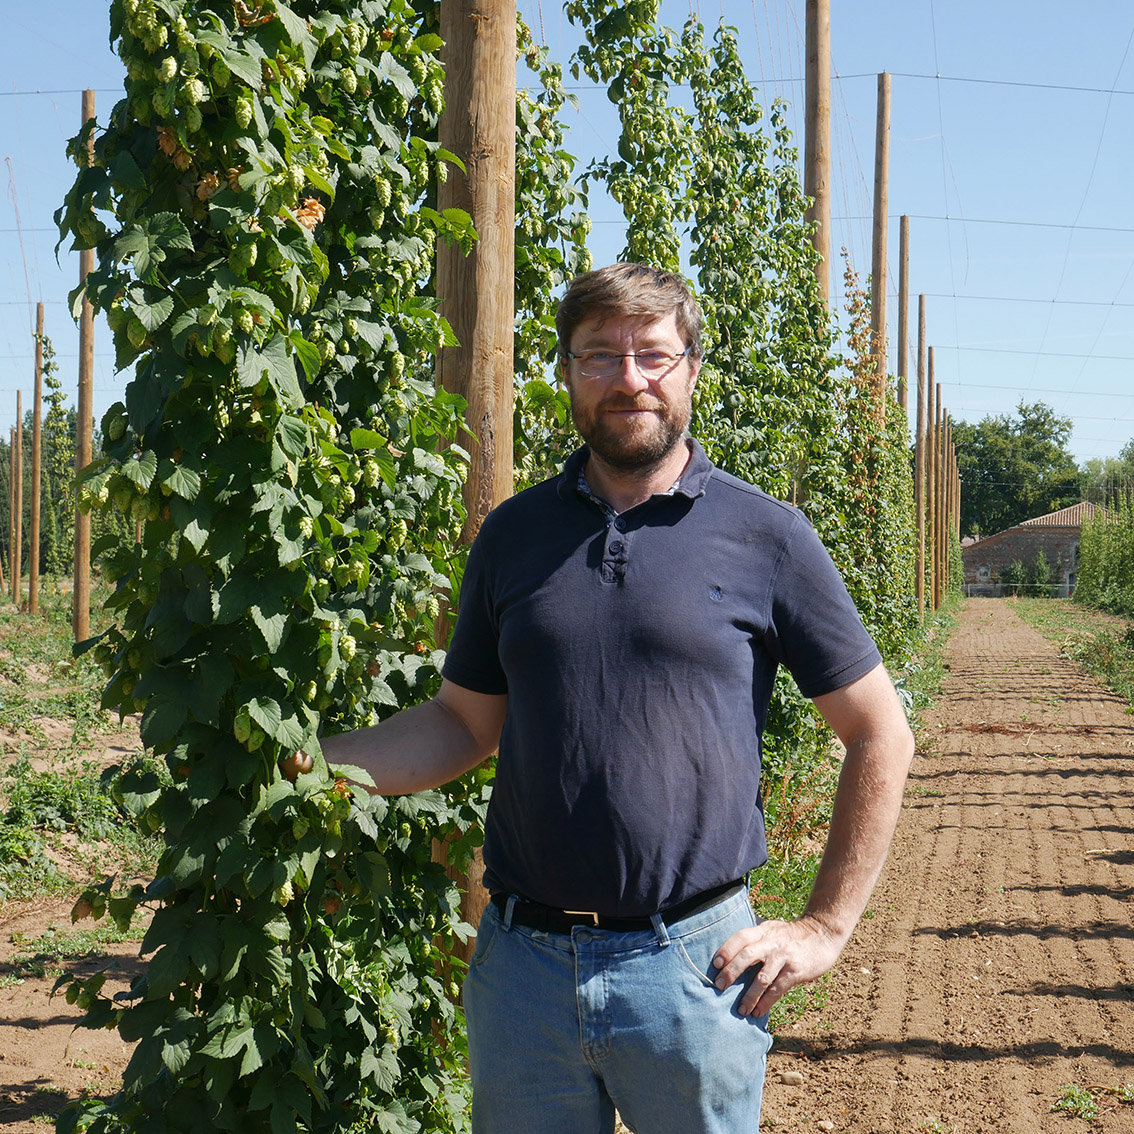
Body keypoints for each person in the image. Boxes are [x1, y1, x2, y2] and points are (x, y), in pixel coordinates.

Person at [318, 263, 915, 1133]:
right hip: (523, 970)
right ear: (566, 373)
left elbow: (879, 732)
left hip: (692, 968)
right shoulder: (513, 536)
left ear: (692, 370)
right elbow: (462, 724)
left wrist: (826, 925)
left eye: (653, 355)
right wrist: (314, 757)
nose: (629, 379)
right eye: (599, 357)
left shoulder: (766, 537)